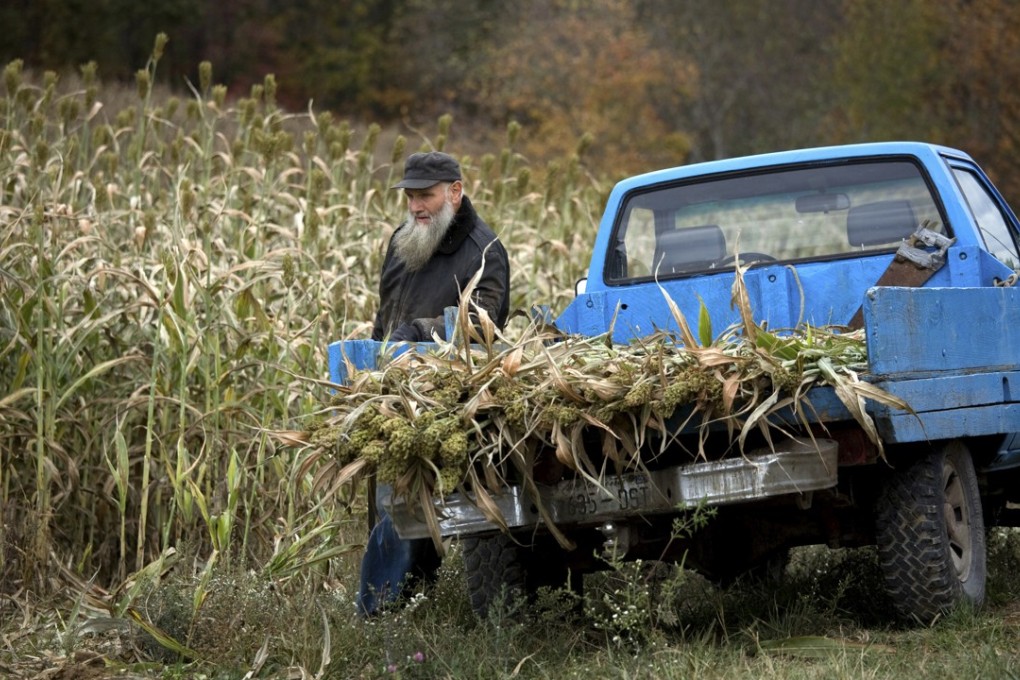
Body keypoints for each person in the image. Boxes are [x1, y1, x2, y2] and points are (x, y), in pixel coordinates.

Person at [358, 151, 511, 616]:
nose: (416, 206)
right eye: (410, 196)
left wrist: (420, 334)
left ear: (455, 192)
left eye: (425, 195)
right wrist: (372, 361)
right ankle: (401, 609)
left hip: (444, 400)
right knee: (390, 505)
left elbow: (483, 326)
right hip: (392, 395)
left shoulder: (485, 251)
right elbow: (386, 317)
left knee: (406, 506)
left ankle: (380, 613)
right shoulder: (403, 241)